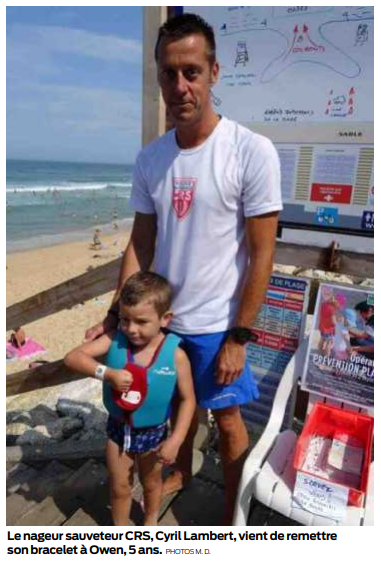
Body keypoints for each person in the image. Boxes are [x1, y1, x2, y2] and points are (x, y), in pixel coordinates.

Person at [85, 13, 282, 524]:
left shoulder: (251, 151)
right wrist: (116, 312)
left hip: (218, 325)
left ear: (214, 72)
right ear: (158, 78)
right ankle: (183, 475)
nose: (180, 85)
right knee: (172, 408)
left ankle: (232, 516)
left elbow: (263, 253)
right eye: (169, 74)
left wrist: (240, 334)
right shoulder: (151, 158)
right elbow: (142, 241)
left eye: (191, 71)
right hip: (164, 321)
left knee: (229, 418)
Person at [65, 272, 196, 526]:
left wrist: (176, 440)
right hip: (118, 430)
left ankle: (150, 523)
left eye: (141, 321)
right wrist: (107, 373)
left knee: (152, 483)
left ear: (165, 319)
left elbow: (188, 400)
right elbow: (73, 358)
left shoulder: (177, 356)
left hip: (154, 434)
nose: (131, 329)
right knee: (120, 487)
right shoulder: (115, 338)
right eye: (125, 320)